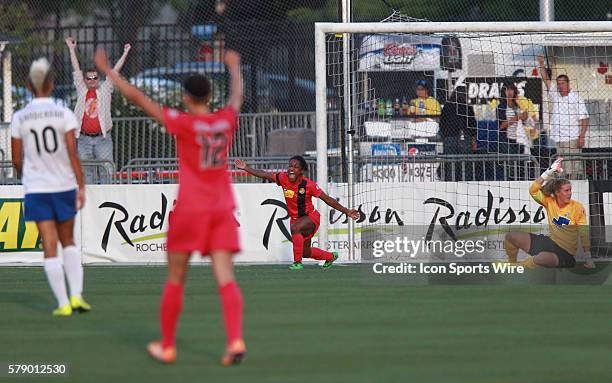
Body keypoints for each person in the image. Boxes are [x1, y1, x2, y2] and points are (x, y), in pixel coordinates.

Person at [94, 47, 244, 365]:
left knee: (176, 279)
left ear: (186, 98)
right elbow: (236, 100)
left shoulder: (184, 123)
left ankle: (168, 345)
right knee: (226, 277)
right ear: (210, 95)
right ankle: (234, 340)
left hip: (191, 209)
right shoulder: (224, 121)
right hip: (221, 209)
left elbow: (139, 99)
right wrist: (234, 68)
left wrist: (109, 71)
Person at [10, 58, 90, 316]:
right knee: (69, 241)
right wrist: (81, 185)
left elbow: (16, 158)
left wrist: (28, 176)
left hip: (37, 187)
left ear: (30, 87)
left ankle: (63, 303)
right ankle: (77, 296)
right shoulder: (64, 113)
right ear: (51, 85)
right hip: (63, 184)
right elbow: (72, 152)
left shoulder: (20, 117)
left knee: (49, 244)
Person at [235, 156, 359, 270]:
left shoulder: (308, 185)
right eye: (290, 166)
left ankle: (297, 263)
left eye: (296, 167)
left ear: (301, 171)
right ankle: (330, 256)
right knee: (305, 251)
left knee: (296, 228)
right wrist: (246, 168)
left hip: (310, 218)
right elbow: (265, 175)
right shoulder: (283, 178)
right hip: (296, 219)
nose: (291, 169)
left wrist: (347, 211)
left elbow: (327, 199)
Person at [503, 158, 594, 269]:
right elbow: (533, 190)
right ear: (557, 192)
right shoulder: (549, 202)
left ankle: (515, 268)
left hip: (566, 253)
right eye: (566, 190)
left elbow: (583, 233)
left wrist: (588, 259)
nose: (570, 193)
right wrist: (549, 171)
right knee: (511, 236)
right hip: (550, 243)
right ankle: (511, 263)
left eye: (570, 190)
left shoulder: (577, 207)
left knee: (540, 258)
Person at [66, 37, 131, 183]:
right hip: (83, 138)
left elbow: (114, 71)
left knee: (106, 172)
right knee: (86, 173)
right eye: (89, 78)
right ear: (85, 80)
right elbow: (76, 70)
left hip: (103, 138)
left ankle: (107, 202)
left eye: (95, 77)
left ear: (98, 79)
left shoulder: (105, 90)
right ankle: (89, 204)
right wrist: (71, 49)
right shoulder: (82, 91)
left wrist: (125, 53)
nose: (92, 80)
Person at [537, 54, 589, 179]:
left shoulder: (576, 98)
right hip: (559, 139)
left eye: (562, 83)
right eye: (558, 83)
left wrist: (581, 136)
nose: (560, 86)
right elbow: (546, 80)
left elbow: (585, 118)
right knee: (562, 170)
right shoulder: (555, 94)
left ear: (568, 84)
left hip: (572, 139)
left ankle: (573, 191)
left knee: (573, 171)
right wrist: (542, 64)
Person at [439, 85, 477, 181]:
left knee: (450, 166)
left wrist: (445, 137)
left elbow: (442, 124)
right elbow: (472, 126)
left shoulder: (447, 107)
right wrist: (473, 140)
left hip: (449, 139)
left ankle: (450, 184)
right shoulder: (467, 107)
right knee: (465, 166)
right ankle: (466, 185)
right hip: (464, 139)